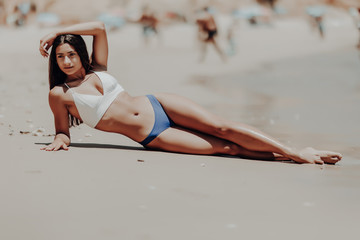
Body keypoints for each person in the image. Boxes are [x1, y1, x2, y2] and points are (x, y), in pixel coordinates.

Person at [39, 21, 342, 165]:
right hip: (152, 134)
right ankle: (287, 158)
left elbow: (100, 27)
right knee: (227, 149)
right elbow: (63, 132)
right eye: (60, 56)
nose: (65, 61)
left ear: (80, 53)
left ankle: (296, 152)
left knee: (223, 127)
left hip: (159, 103)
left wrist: (56, 32)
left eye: (70, 54)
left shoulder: (98, 67)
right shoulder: (60, 94)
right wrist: (59, 140)